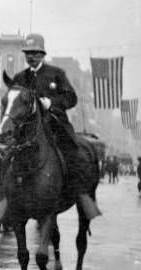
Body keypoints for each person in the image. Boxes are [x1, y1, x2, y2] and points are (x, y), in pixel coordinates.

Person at [8, 33, 101, 218]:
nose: (30, 56)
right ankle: (5, 198)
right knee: (7, 157)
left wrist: (51, 103)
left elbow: (71, 98)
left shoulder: (56, 74)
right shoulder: (20, 77)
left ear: (42, 54)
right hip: (27, 129)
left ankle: (80, 193)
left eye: (34, 52)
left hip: (55, 125)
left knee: (73, 155)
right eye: (27, 53)